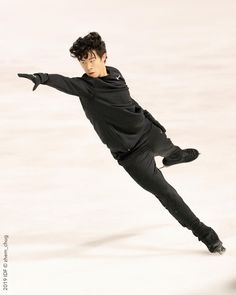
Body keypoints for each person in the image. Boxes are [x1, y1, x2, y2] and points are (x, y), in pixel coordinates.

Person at [18, 31, 225, 254]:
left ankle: (176, 156)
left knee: (171, 149)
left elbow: (129, 100)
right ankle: (206, 235)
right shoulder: (87, 88)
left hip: (148, 132)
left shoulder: (116, 74)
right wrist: (43, 78)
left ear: (103, 57)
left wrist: (151, 119)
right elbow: (66, 83)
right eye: (83, 61)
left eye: (92, 59)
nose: (88, 66)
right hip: (132, 154)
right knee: (167, 194)